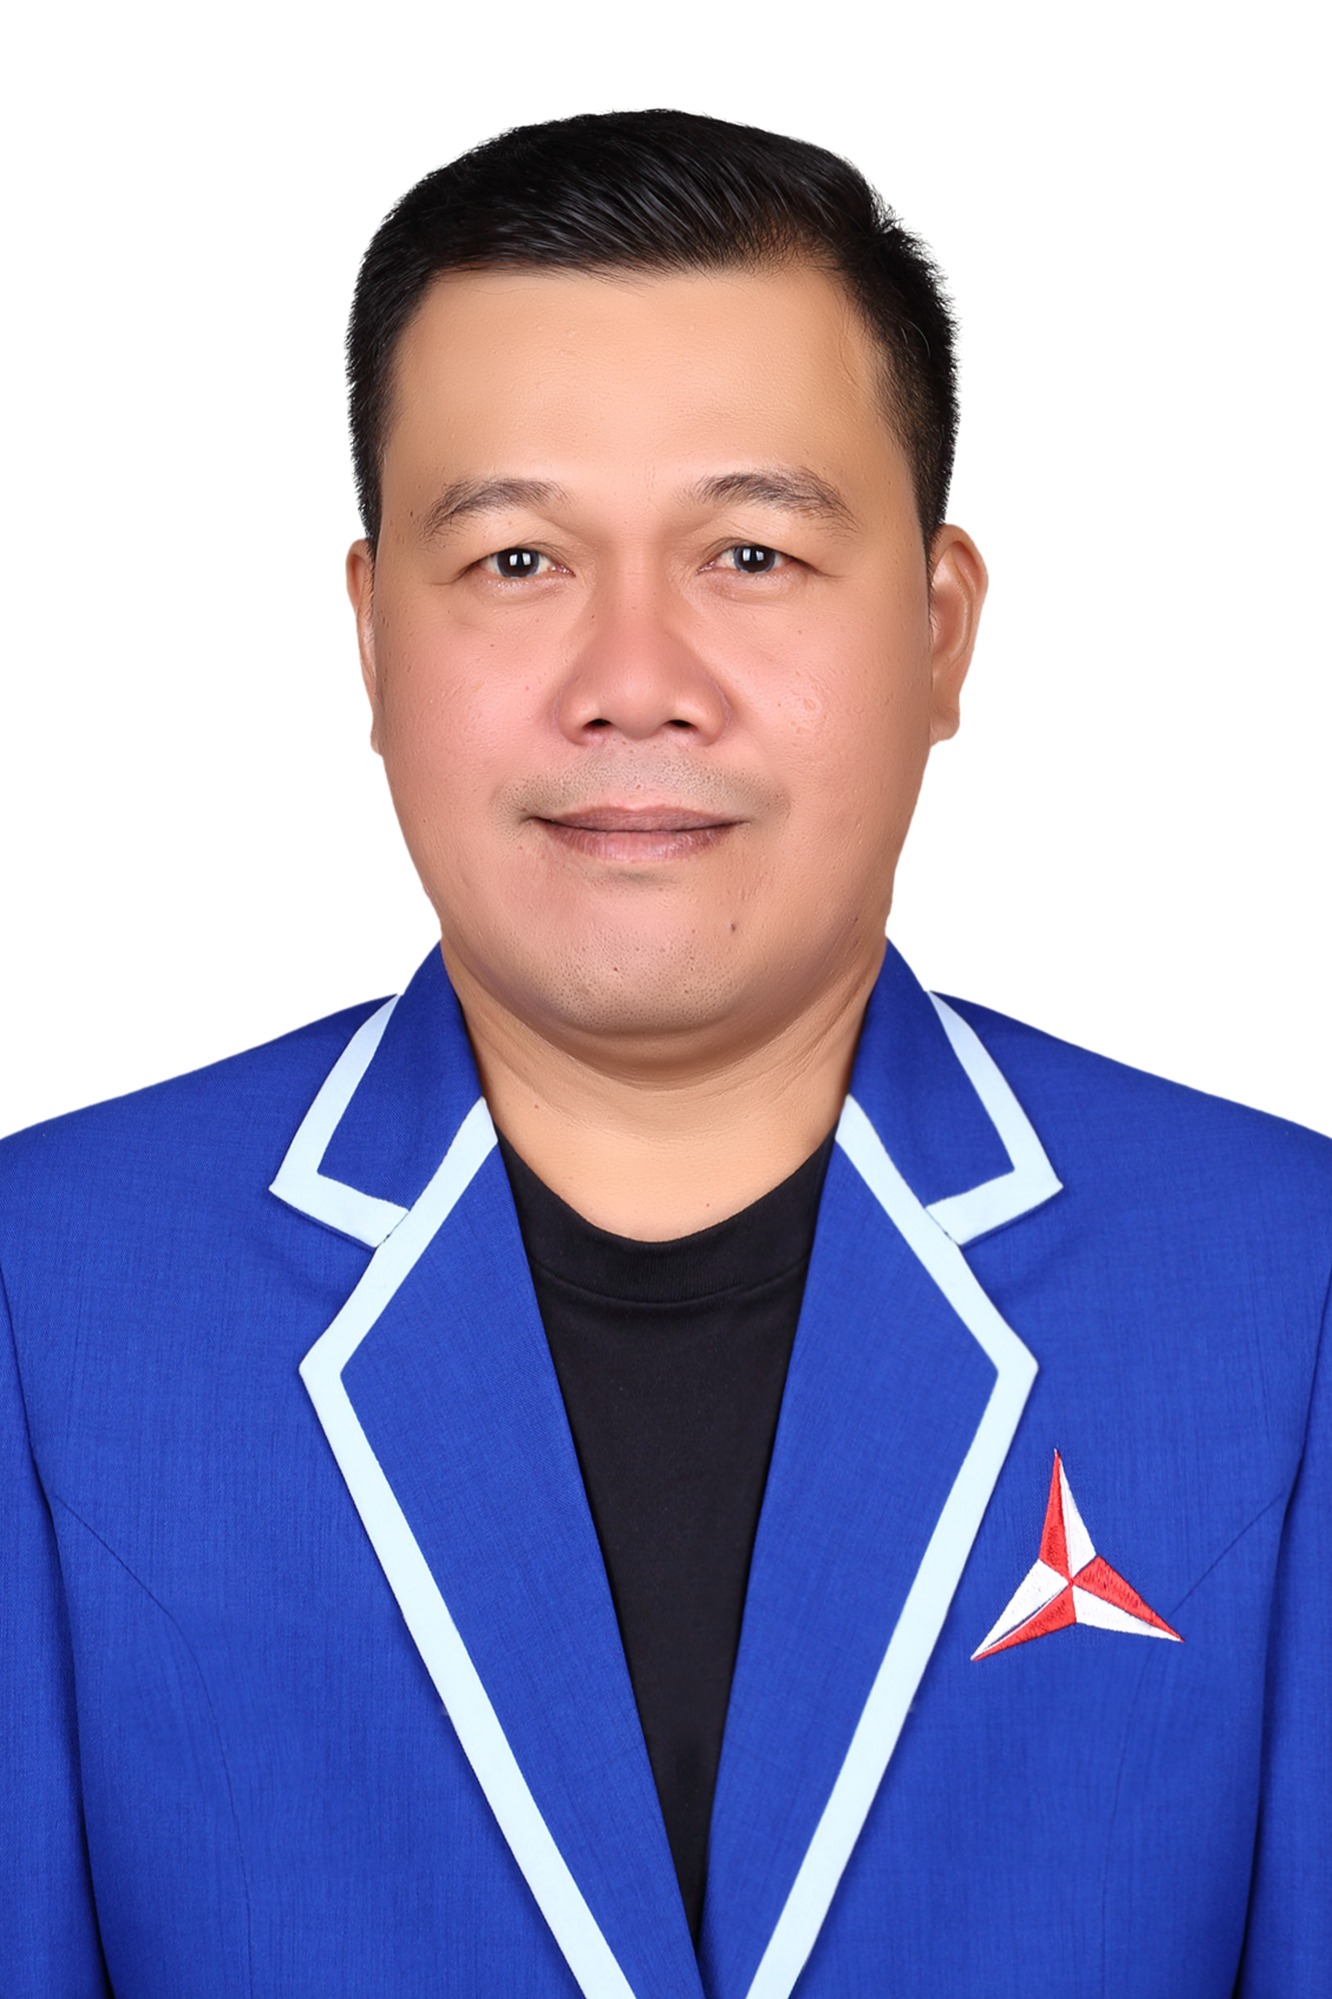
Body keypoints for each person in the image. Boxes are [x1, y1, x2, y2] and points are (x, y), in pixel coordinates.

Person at [1, 108, 1327, 1999]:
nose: (635, 679)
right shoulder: (53, 1297)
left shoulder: (1280, 1288)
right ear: (372, 639)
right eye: (518, 560)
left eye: (753, 552)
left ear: (940, 631)